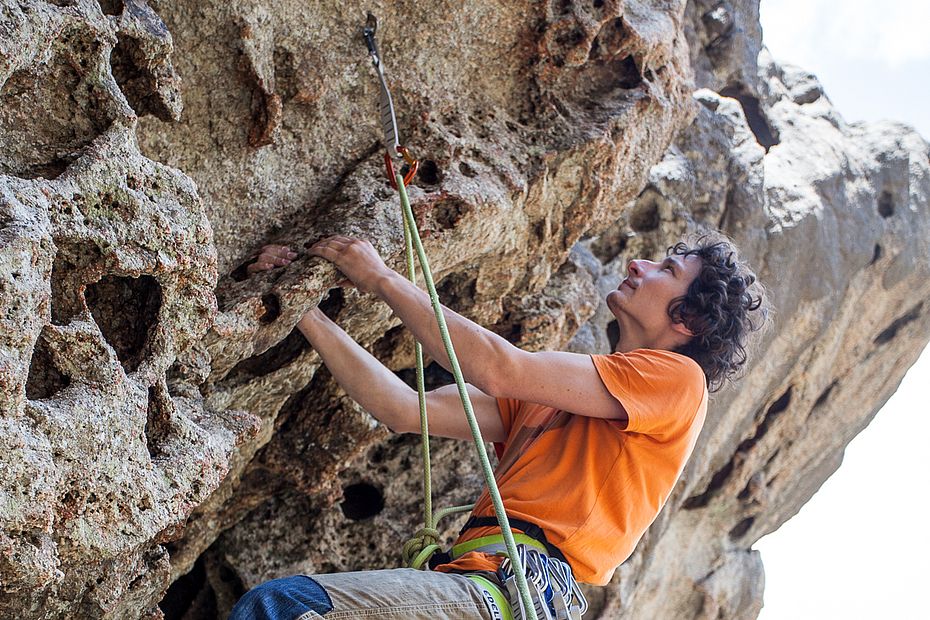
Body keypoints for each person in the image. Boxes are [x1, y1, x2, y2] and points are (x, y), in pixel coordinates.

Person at [227, 232, 767, 620]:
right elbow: (399, 407)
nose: (640, 266)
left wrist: (381, 278)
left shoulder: (678, 381)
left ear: (687, 321)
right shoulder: (561, 401)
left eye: (666, 272)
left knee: (283, 607)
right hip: (483, 586)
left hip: (506, 592)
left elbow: (499, 367)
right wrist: (301, 309)